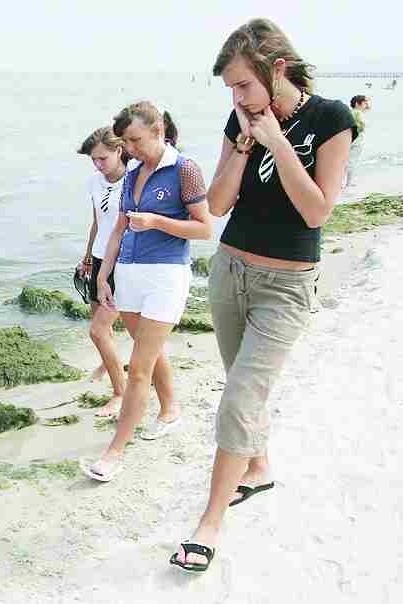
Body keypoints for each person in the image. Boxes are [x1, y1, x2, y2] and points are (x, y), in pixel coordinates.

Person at [171, 18, 356, 573]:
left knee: (240, 397)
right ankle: (259, 468)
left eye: (243, 85)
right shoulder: (240, 119)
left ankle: (210, 522)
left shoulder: (332, 120)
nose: (237, 97)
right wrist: (246, 145)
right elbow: (220, 204)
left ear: (278, 70)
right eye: (229, 88)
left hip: (287, 284)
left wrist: (279, 141)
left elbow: (319, 210)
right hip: (231, 272)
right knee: (240, 386)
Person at [80, 101, 212, 481]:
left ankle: (115, 452)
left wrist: (156, 221)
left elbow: (204, 229)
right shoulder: (134, 171)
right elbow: (118, 230)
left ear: (158, 130)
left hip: (165, 276)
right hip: (128, 274)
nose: (130, 149)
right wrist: (104, 276)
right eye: (125, 142)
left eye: (135, 139)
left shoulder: (184, 169)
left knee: (138, 367)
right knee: (147, 351)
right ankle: (170, 408)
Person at [76, 127, 128, 417]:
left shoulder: (134, 180)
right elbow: (97, 222)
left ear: (119, 150)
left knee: (97, 331)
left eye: (102, 158)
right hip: (97, 260)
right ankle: (108, 365)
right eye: (93, 160)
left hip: (122, 263)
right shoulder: (94, 182)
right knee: (100, 325)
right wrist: (87, 257)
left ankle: (120, 393)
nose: (97, 164)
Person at [346, 95, 370, 187]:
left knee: (346, 161)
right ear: (357, 104)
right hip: (358, 140)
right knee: (352, 161)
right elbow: (362, 126)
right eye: (364, 103)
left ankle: (342, 182)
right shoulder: (358, 113)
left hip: (350, 139)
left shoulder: (350, 112)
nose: (366, 105)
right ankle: (348, 183)